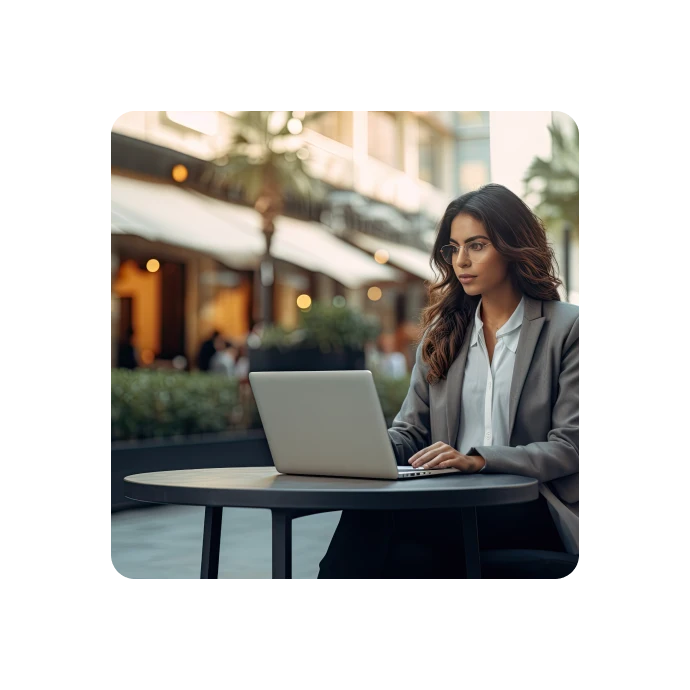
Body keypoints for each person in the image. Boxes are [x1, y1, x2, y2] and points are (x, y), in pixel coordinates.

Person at [318, 183, 582, 583]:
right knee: (403, 554)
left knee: (381, 528)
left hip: (532, 504)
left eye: (476, 246)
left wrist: (479, 459)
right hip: (450, 502)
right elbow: (411, 432)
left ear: (512, 246)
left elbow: (571, 447)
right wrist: (362, 447)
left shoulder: (568, 328)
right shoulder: (442, 336)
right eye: (453, 248)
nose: (461, 260)